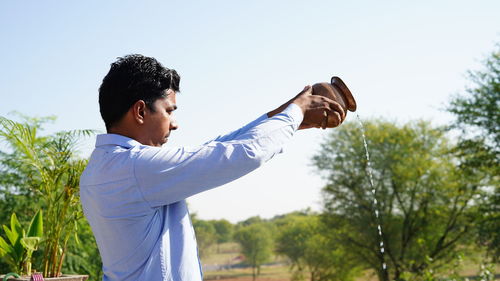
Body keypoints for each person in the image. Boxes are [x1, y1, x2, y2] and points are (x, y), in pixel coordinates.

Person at [80, 54, 346, 281]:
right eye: (169, 111)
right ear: (140, 111)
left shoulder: (106, 167)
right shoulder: (135, 169)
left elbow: (216, 148)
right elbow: (242, 153)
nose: (174, 124)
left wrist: (287, 115)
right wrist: (295, 113)